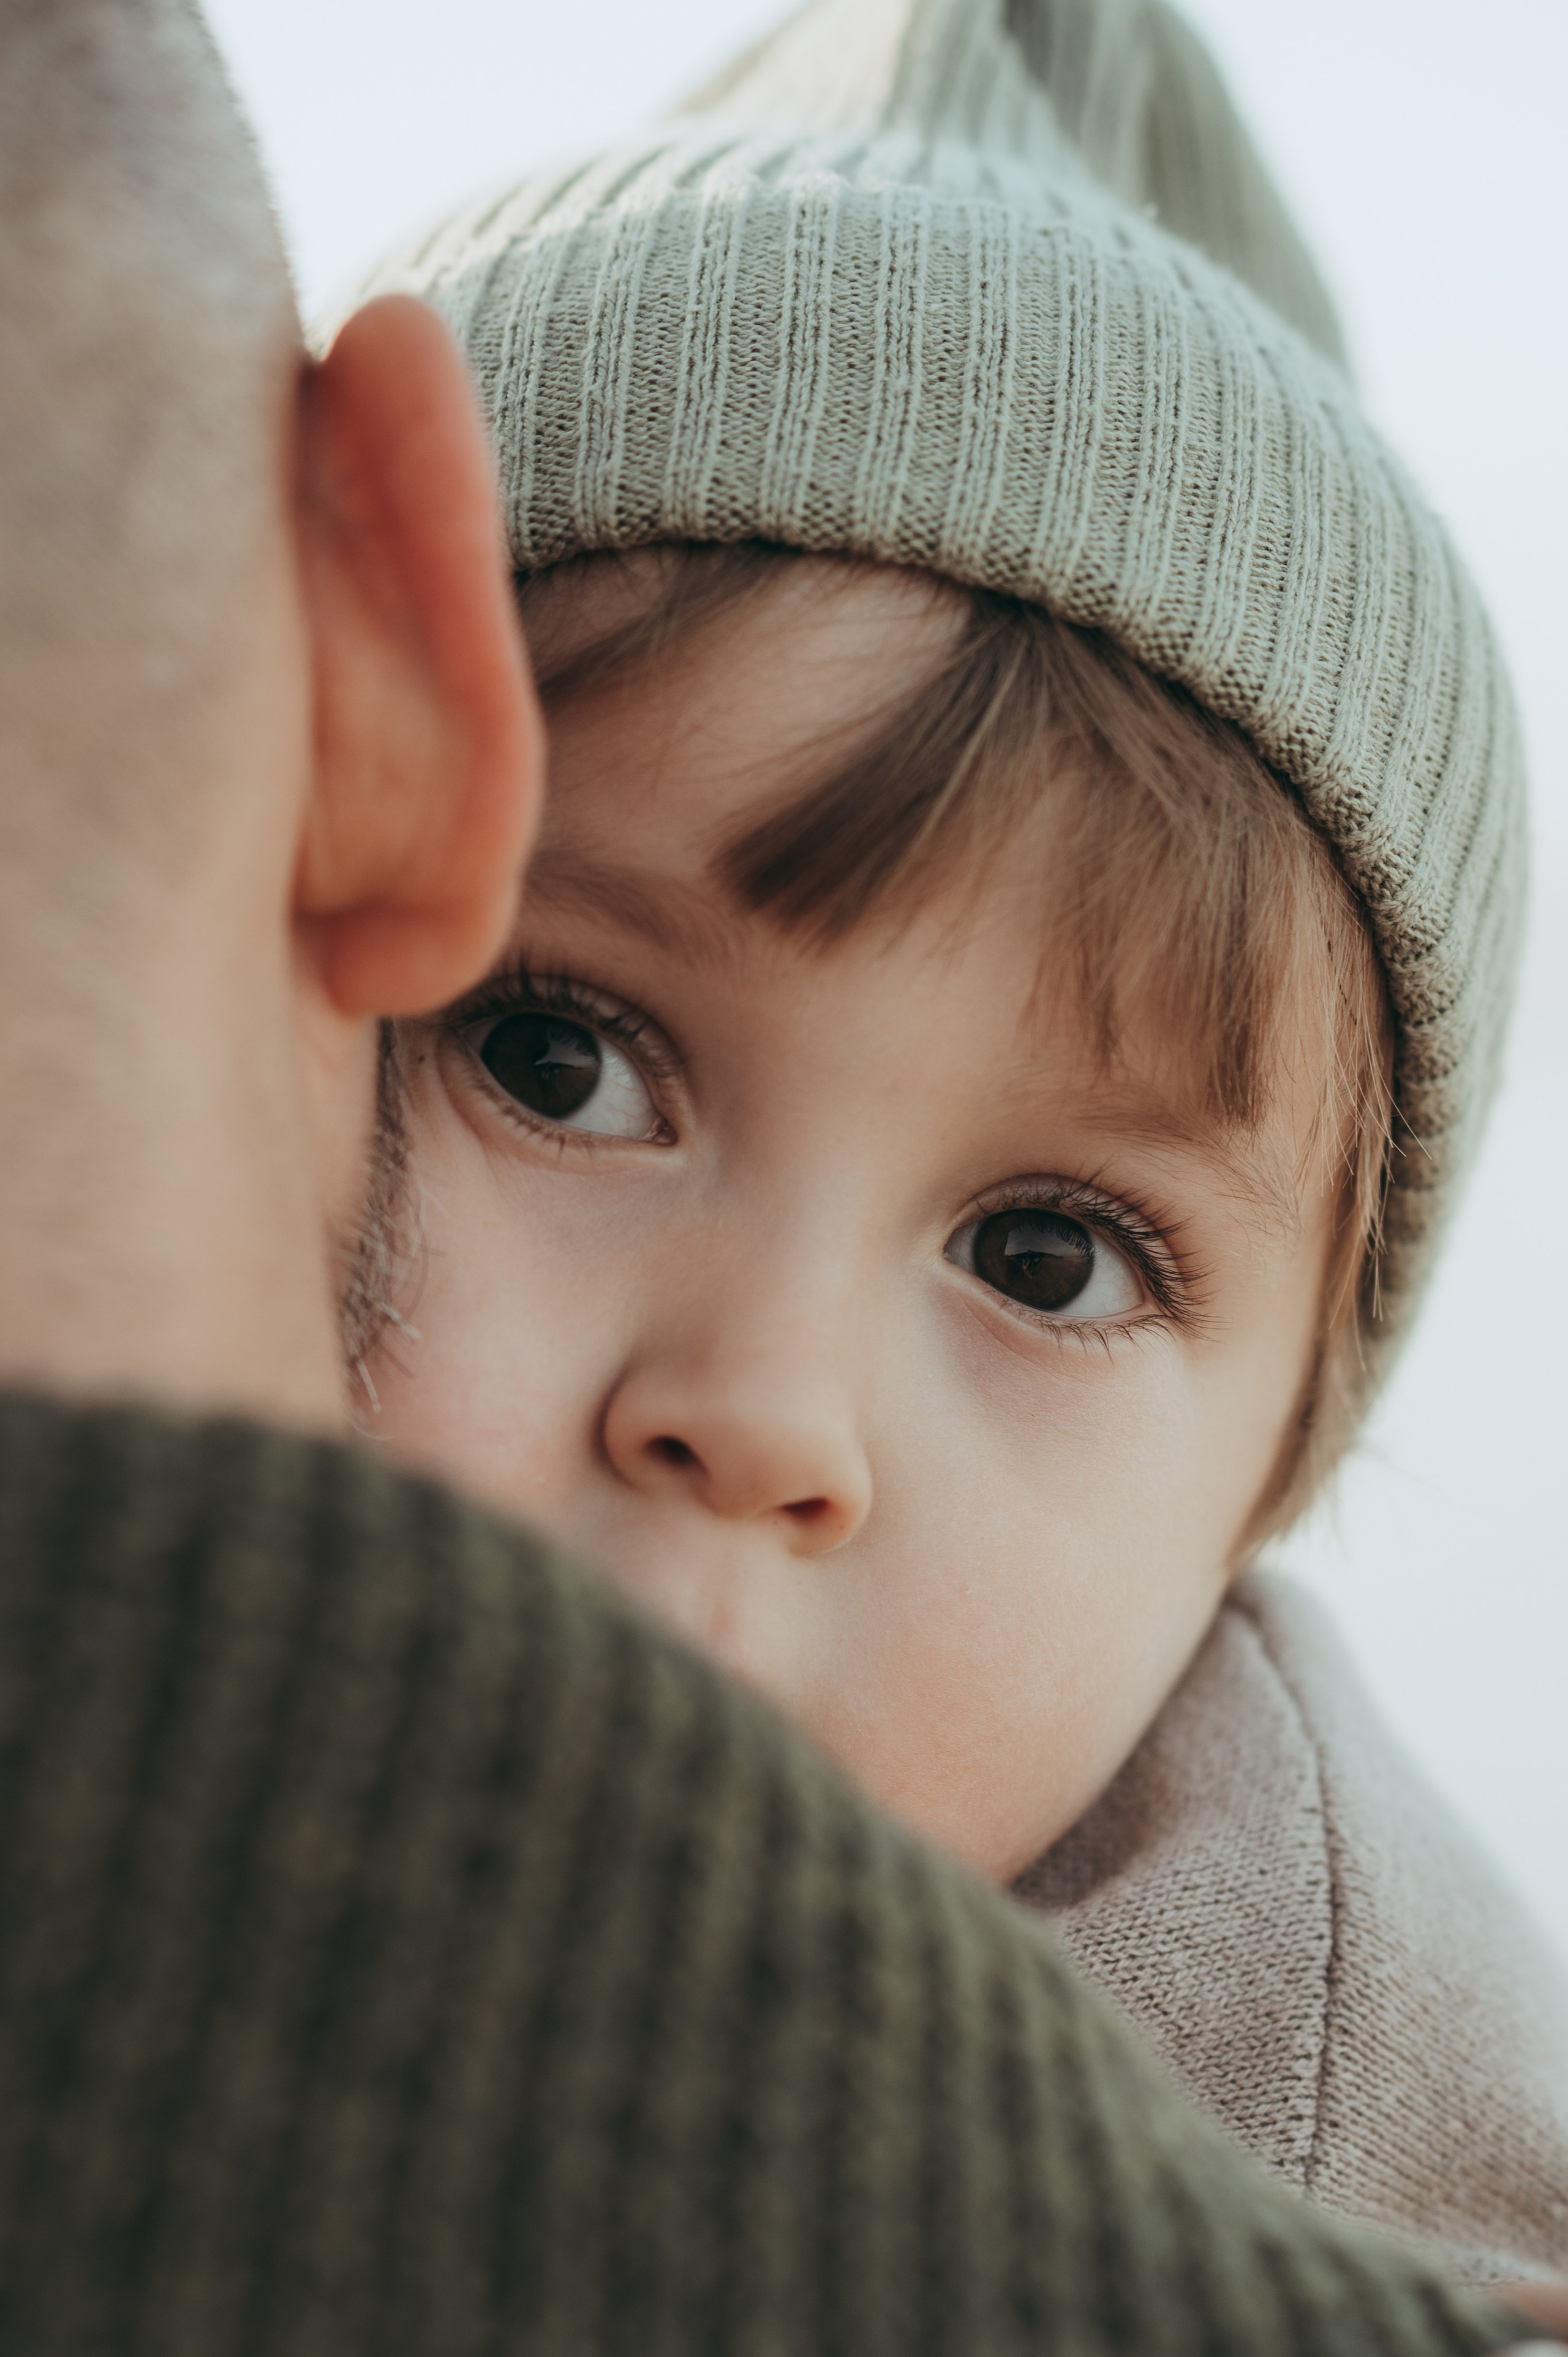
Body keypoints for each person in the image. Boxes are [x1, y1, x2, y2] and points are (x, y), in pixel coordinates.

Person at [0, 1, 1562, 2351]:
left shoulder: (1324, 2140)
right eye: (563, 1059)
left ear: (1267, 1492)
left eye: (1048, 1257)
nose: (757, 1411)